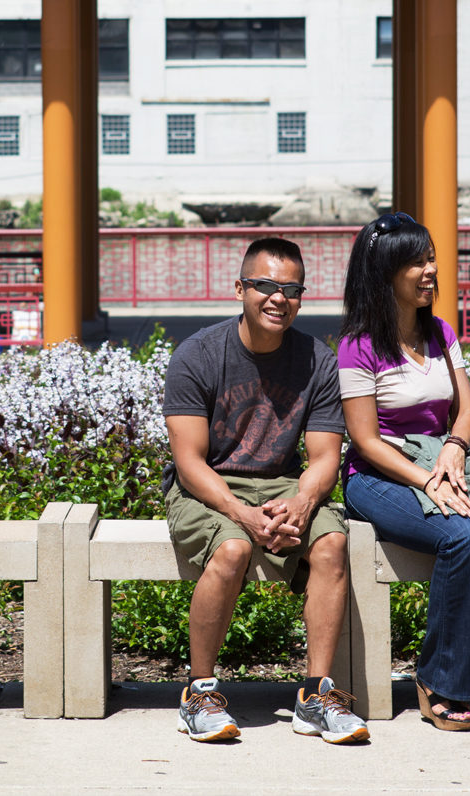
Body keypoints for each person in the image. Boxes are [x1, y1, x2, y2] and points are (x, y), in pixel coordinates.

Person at [336, 212, 470, 736]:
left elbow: (467, 411)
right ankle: (439, 680)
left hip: (442, 462)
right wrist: (426, 479)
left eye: (432, 259)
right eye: (417, 262)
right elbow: (364, 440)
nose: (431, 270)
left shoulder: (440, 332)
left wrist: (453, 448)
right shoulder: (358, 345)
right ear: (384, 273)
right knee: (462, 536)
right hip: (379, 476)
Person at [162, 237, 368, 745]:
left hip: (282, 483)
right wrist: (242, 514)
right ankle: (198, 693)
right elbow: (189, 462)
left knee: (332, 543)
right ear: (240, 289)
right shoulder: (198, 355)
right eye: (265, 286)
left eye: (292, 290)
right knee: (232, 548)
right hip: (209, 483)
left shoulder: (316, 360)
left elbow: (325, 457)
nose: (279, 299)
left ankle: (316, 696)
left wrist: (302, 502)